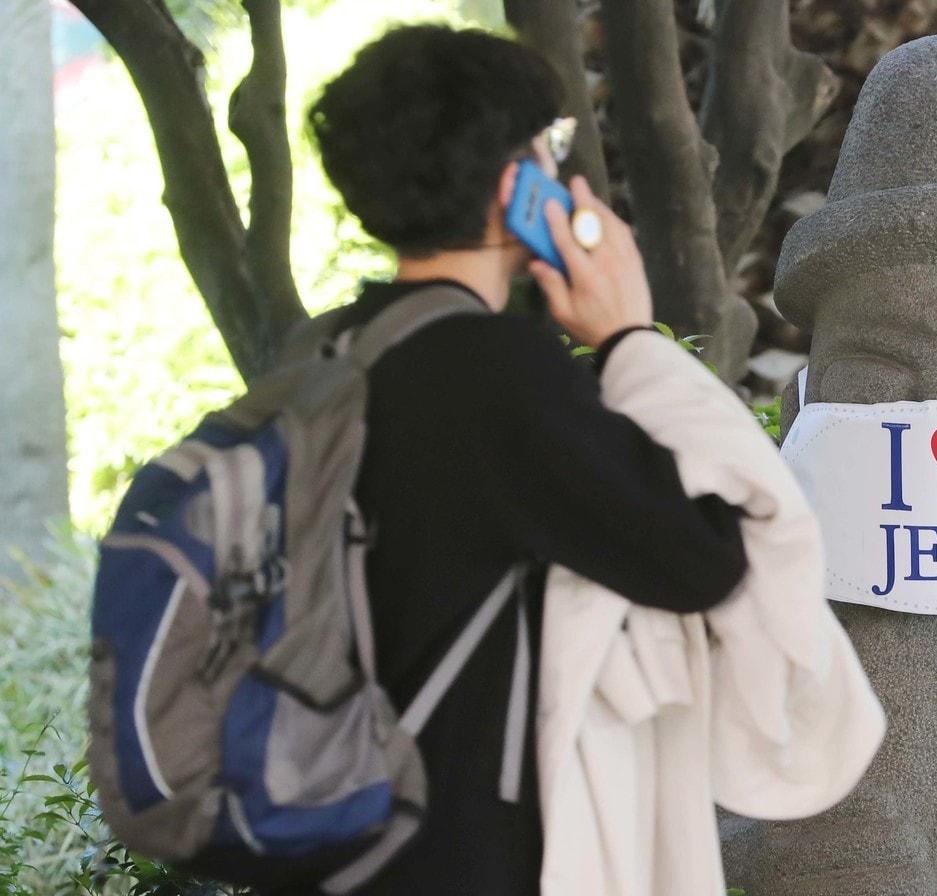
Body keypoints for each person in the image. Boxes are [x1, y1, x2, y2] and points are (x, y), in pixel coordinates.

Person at [289, 24, 749, 895]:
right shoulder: (497, 376)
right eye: (552, 149)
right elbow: (703, 559)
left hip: (321, 841)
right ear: (515, 185)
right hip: (449, 854)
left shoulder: (316, 356)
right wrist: (624, 336)